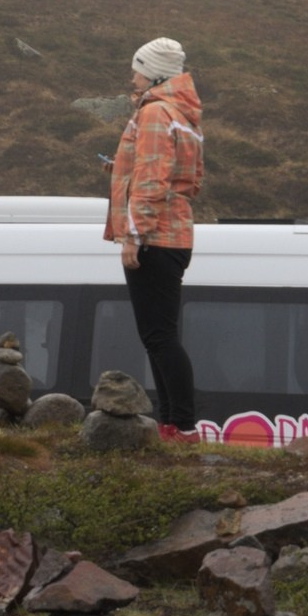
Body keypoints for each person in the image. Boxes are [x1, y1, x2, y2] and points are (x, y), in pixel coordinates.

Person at [103, 38, 206, 440]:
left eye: (138, 68)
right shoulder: (185, 115)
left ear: (156, 72)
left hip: (155, 237)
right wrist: (121, 168)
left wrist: (134, 235)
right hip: (177, 234)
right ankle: (172, 425)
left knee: (159, 338)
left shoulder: (154, 113)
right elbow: (189, 181)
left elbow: (150, 177)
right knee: (162, 336)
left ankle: (180, 425)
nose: (133, 76)